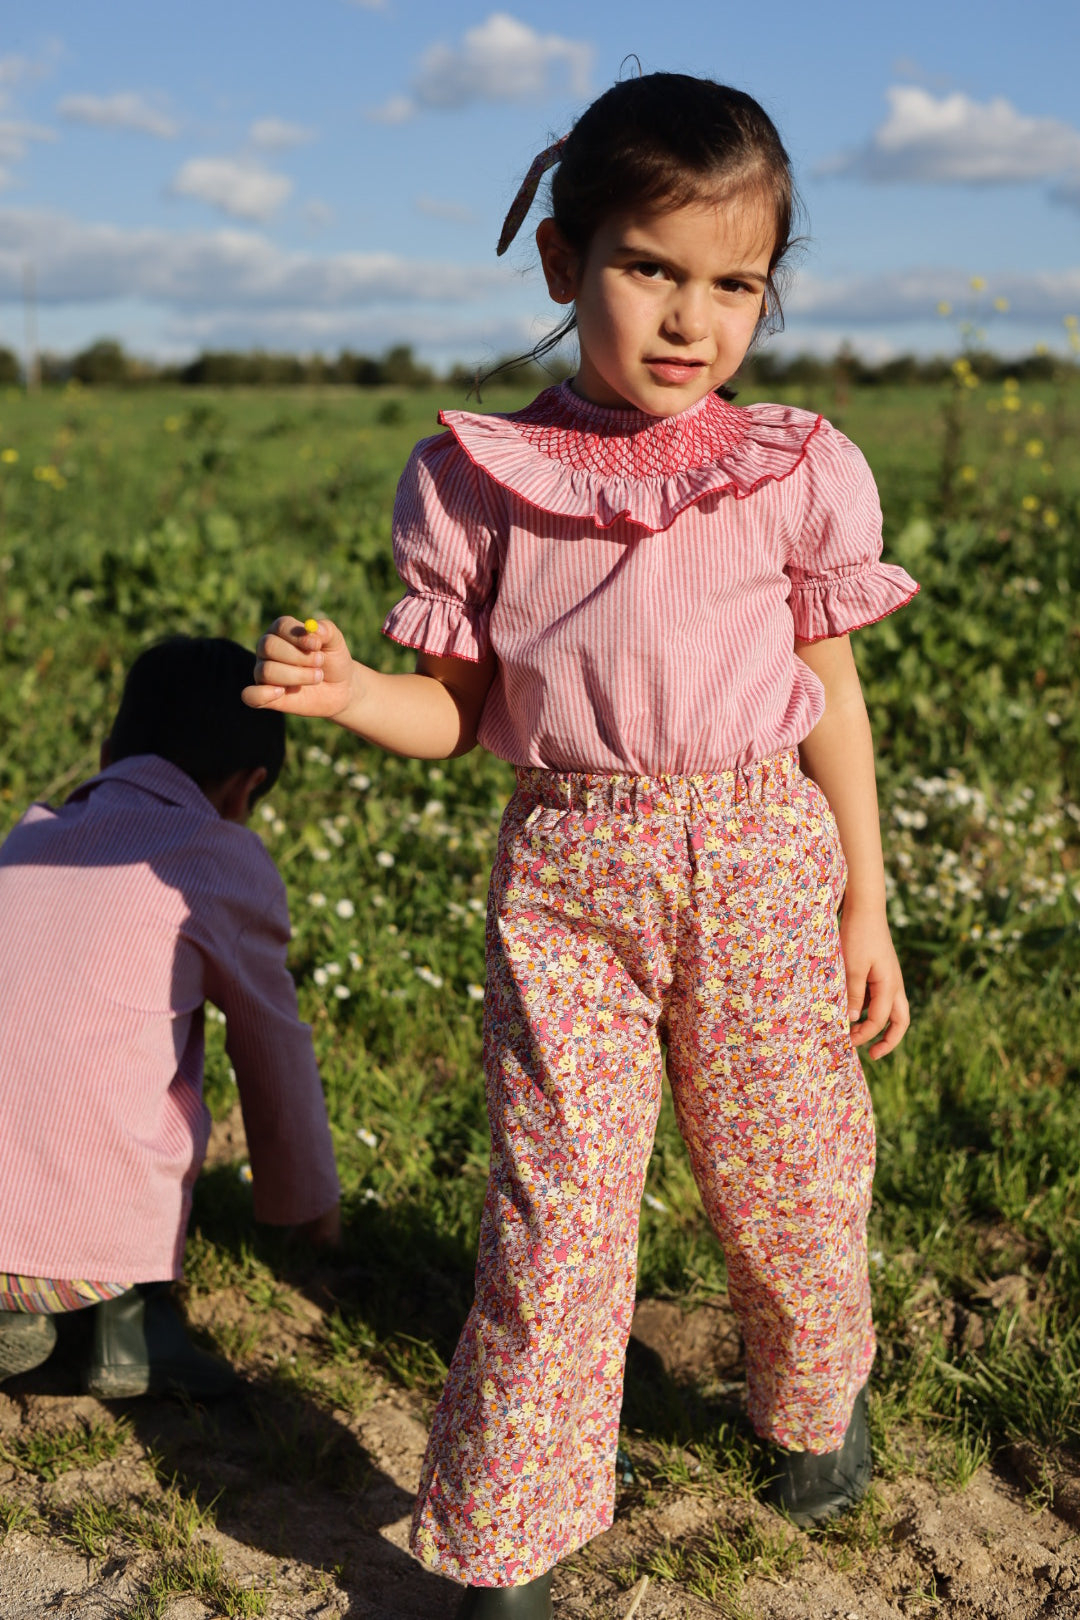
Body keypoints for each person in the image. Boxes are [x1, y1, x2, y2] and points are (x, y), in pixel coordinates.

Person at [243, 72, 917, 1618]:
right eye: (650, 266)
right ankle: (513, 1533)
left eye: (734, 282)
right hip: (568, 877)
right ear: (563, 260)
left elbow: (833, 697)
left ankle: (813, 1402)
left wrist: (865, 901)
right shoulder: (477, 483)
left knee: (794, 1177)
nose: (692, 319)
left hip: (762, 860)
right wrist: (357, 692)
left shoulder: (790, 470)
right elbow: (458, 713)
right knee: (555, 1213)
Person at [0, 636, 341, 1401]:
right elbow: (272, 1051)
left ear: (108, 749)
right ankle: (130, 1328)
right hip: (83, 1249)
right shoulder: (216, 860)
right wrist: (307, 1202)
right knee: (155, 1075)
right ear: (245, 789)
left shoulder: (28, 840)